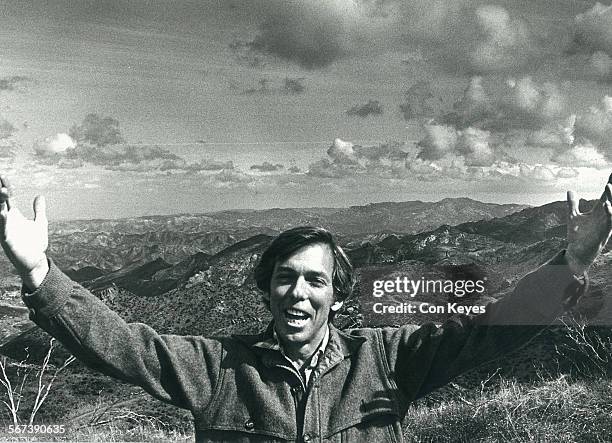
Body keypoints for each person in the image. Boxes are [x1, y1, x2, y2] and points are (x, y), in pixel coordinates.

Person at [0, 175, 611, 443]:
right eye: (285, 278)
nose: (298, 292)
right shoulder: (220, 369)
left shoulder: (388, 361)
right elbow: (122, 345)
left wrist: (570, 267)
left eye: (315, 280)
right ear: (266, 289)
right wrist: (38, 273)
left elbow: (494, 329)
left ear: (338, 294)